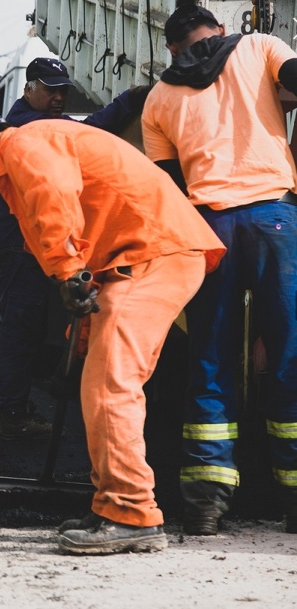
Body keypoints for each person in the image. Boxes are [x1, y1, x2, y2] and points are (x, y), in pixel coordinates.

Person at [0, 106, 226, 555]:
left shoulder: (23, 145)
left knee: (110, 386)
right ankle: (108, 505)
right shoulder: (43, 138)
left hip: (151, 253)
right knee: (101, 378)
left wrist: (67, 271)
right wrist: (81, 320)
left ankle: (130, 513)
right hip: (142, 254)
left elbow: (53, 197)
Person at [141, 0, 297, 536]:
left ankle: (205, 502)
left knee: (210, 358)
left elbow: (168, 189)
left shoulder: (158, 97)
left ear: (170, 48)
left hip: (210, 229)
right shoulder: (259, 46)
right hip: (276, 221)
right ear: (223, 29)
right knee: (289, 352)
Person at [0, 57, 148, 441]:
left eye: (63, 90)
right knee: (22, 331)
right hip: (20, 244)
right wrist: (128, 100)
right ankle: (13, 413)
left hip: (19, 243)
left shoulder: (31, 121)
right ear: (28, 89)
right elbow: (90, 132)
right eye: (50, 89)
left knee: (23, 331)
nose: (58, 97)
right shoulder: (25, 125)